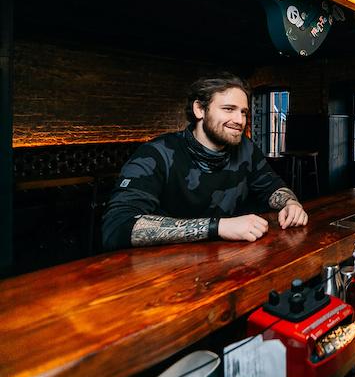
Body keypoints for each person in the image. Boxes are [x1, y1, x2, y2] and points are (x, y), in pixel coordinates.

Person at [102, 73, 308, 250]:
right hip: (166, 274)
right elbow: (118, 225)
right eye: (229, 109)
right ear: (199, 110)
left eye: (243, 112)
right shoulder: (157, 153)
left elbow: (272, 186)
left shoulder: (246, 148)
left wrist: (290, 203)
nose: (239, 120)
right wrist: (218, 227)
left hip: (231, 266)